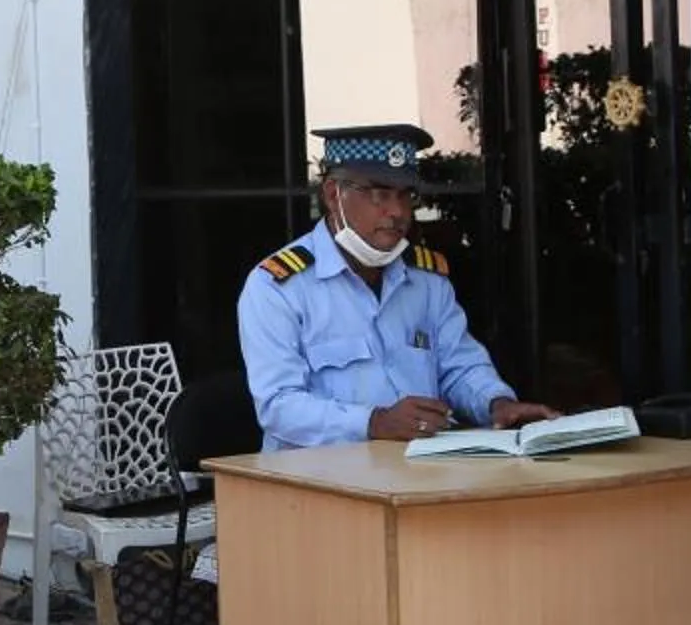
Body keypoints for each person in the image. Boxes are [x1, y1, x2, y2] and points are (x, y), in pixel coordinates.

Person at [238, 123, 557, 453]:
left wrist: (497, 403)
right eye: (380, 193)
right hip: (317, 487)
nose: (398, 212)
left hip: (418, 476)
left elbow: (459, 367)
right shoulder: (278, 287)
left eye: (407, 195)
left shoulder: (427, 280)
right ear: (334, 195)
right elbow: (278, 406)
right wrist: (374, 422)